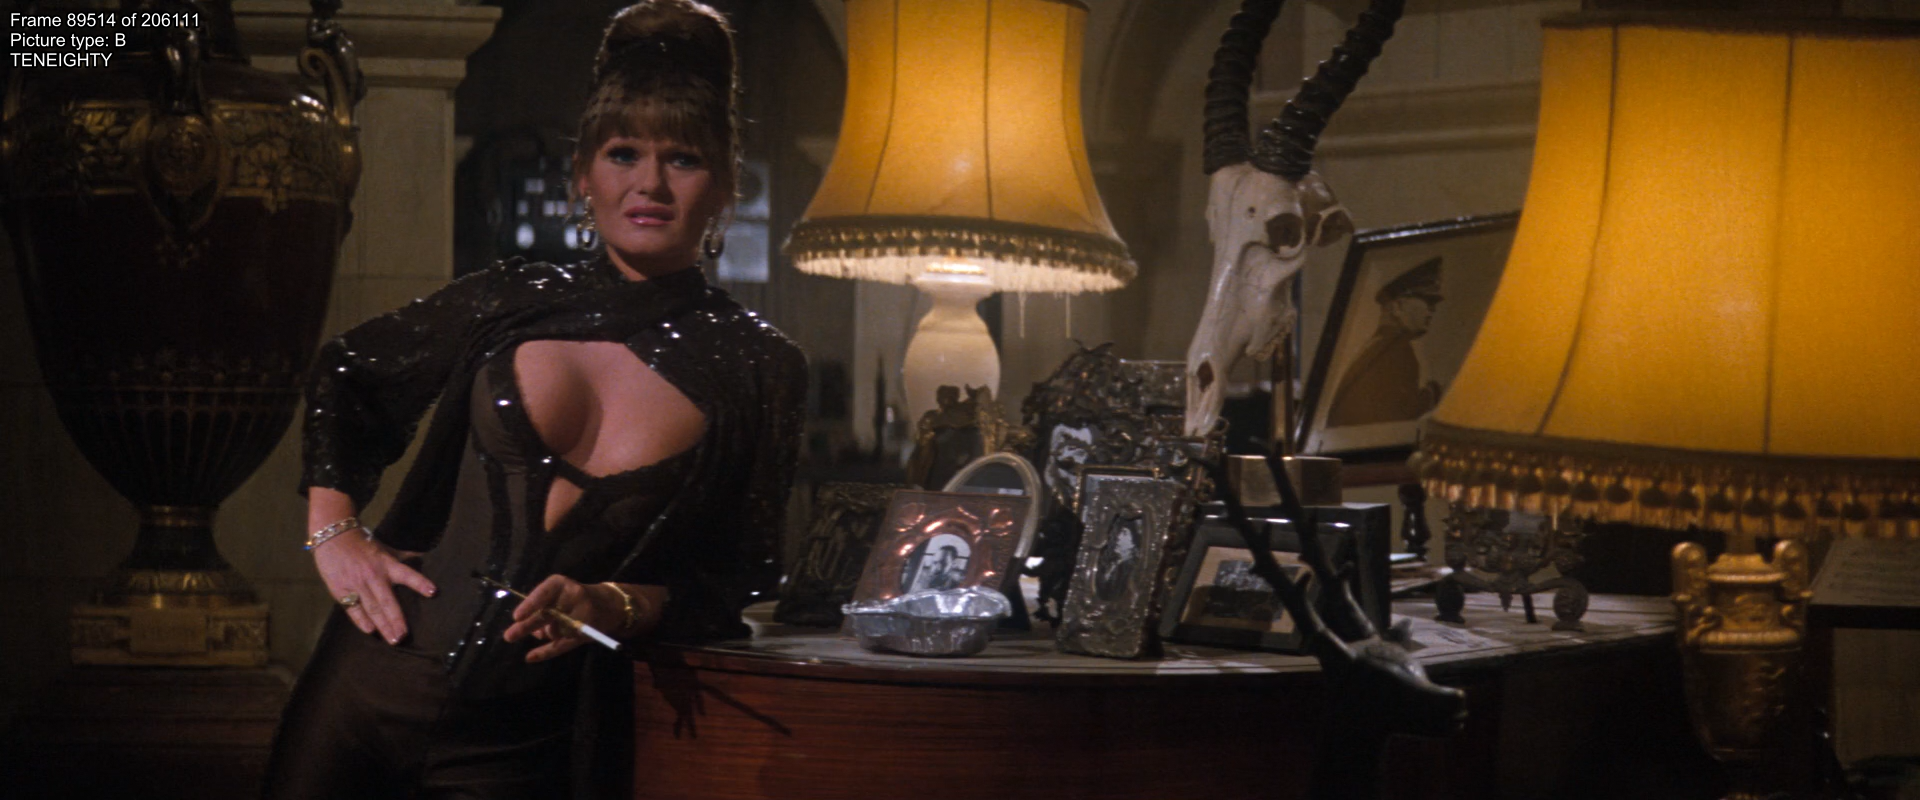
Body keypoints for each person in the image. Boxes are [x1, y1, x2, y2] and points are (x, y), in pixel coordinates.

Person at [262, 2, 806, 798]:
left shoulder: (761, 365)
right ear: (583, 175)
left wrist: (613, 603)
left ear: (724, 185)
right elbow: (349, 372)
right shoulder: (513, 299)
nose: (650, 184)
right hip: (367, 686)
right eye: (623, 153)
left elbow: (740, 578)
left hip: (523, 737)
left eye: (684, 159)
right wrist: (334, 533)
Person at [1325, 256, 1444, 428]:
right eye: (1428, 302)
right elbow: (1395, 418)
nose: (1432, 311)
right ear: (1398, 307)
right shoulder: (1398, 352)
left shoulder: (1377, 347)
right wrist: (1431, 394)